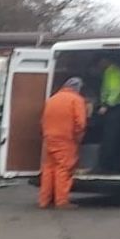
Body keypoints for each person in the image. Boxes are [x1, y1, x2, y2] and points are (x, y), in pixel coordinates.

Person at [40, 77, 89, 209]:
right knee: (64, 168)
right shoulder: (76, 100)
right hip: (66, 138)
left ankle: (44, 200)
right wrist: (78, 137)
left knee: (49, 168)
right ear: (78, 88)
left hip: (49, 137)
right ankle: (61, 201)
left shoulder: (53, 98)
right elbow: (80, 123)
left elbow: (43, 119)